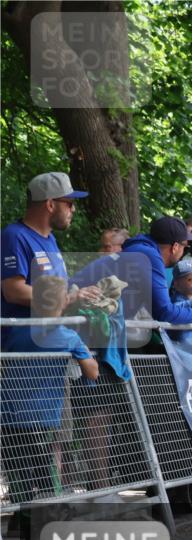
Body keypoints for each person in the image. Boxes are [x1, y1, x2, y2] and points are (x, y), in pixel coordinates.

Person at [1, 275, 99, 505]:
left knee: (18, 473)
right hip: (43, 416)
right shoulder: (67, 336)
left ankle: (22, 519)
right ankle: (49, 520)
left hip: (8, 414)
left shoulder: (16, 331)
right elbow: (92, 372)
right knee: (47, 473)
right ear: (62, 301)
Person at [2, 172, 99, 326]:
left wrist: (82, 294)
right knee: (80, 348)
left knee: (112, 311)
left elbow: (57, 288)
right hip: (26, 330)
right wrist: (68, 298)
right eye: (69, 203)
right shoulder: (14, 236)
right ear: (50, 205)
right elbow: (14, 291)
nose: (73, 209)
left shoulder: (50, 238)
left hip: (54, 326)